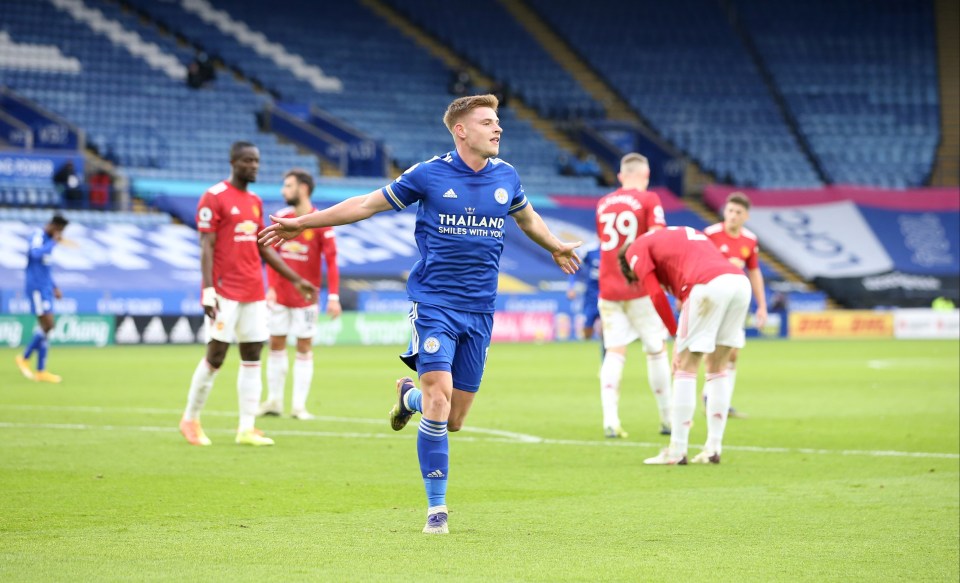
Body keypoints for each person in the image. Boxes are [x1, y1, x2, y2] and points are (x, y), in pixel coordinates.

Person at [259, 94, 582, 535]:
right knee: (439, 397)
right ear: (461, 130)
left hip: (480, 310)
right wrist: (305, 222)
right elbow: (367, 204)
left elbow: (527, 220)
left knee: (453, 419)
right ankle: (437, 511)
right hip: (433, 304)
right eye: (488, 122)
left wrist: (555, 245)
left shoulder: (507, 176)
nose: (498, 129)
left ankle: (406, 397)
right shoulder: (428, 174)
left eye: (498, 121)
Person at [179, 142, 317, 448]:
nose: (254, 166)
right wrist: (208, 290)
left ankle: (246, 428)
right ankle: (190, 419)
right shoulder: (214, 197)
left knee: (253, 356)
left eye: (256, 161)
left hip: (254, 292)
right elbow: (206, 246)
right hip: (225, 291)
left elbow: (263, 248)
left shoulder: (254, 201)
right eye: (248, 161)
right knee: (215, 356)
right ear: (233, 162)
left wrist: (297, 280)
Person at [619, 226, 752, 465]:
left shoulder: (635, 250)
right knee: (718, 368)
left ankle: (677, 451)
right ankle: (713, 448)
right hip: (740, 283)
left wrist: (677, 340)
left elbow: (657, 296)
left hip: (707, 284)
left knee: (685, 368)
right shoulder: (672, 236)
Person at [594, 153, 670, 438]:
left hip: (609, 287)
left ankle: (610, 421)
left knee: (614, 352)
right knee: (656, 349)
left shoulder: (603, 203)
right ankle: (667, 419)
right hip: (640, 285)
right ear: (646, 175)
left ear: (620, 176)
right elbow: (658, 239)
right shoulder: (649, 199)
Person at [257, 169, 342, 420]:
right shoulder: (282, 218)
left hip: (306, 299)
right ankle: (273, 401)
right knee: (275, 343)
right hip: (280, 296)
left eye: (288, 186)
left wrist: (334, 297)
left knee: (304, 346)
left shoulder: (320, 221)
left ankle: (298, 407)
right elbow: (270, 255)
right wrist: (271, 287)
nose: (284, 191)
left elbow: (332, 260)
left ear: (303, 189)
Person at [704, 192, 767, 419]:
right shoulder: (710, 235)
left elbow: (754, 271)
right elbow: (698, 264)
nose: (732, 215)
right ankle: (711, 395)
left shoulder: (750, 240)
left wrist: (762, 305)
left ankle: (720, 400)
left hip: (736, 302)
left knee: (732, 353)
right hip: (711, 300)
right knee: (710, 348)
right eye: (730, 210)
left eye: (738, 212)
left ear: (746, 216)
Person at [14, 214, 69, 383]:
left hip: (45, 288)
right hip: (36, 288)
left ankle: (40, 371)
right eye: (59, 230)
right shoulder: (39, 236)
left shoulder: (48, 241)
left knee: (46, 328)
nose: (59, 234)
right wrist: (53, 243)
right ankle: (25, 357)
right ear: (53, 226)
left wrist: (54, 286)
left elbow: (45, 268)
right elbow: (35, 254)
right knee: (48, 325)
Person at [566, 244, 601, 342]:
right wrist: (571, 287)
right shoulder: (590, 252)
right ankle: (586, 345)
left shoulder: (614, 250)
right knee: (588, 323)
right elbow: (575, 267)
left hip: (608, 293)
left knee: (607, 325)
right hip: (591, 294)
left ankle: (607, 349)